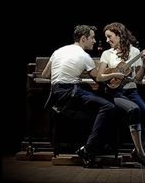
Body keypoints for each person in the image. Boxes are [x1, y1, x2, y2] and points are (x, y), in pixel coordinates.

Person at [41, 25, 116, 168]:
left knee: (93, 104)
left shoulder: (59, 51)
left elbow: (45, 74)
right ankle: (88, 149)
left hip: (56, 95)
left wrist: (67, 73)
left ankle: (88, 145)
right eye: (92, 38)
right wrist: (115, 74)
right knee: (108, 106)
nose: (94, 41)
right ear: (83, 38)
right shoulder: (84, 56)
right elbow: (98, 78)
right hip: (70, 93)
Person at [96, 22, 145, 168]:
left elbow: (138, 79)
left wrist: (143, 63)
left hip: (132, 91)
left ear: (119, 35)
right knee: (134, 110)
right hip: (115, 93)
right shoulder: (107, 54)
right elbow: (99, 77)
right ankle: (142, 155)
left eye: (109, 36)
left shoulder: (135, 51)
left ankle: (136, 151)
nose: (107, 40)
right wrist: (116, 73)